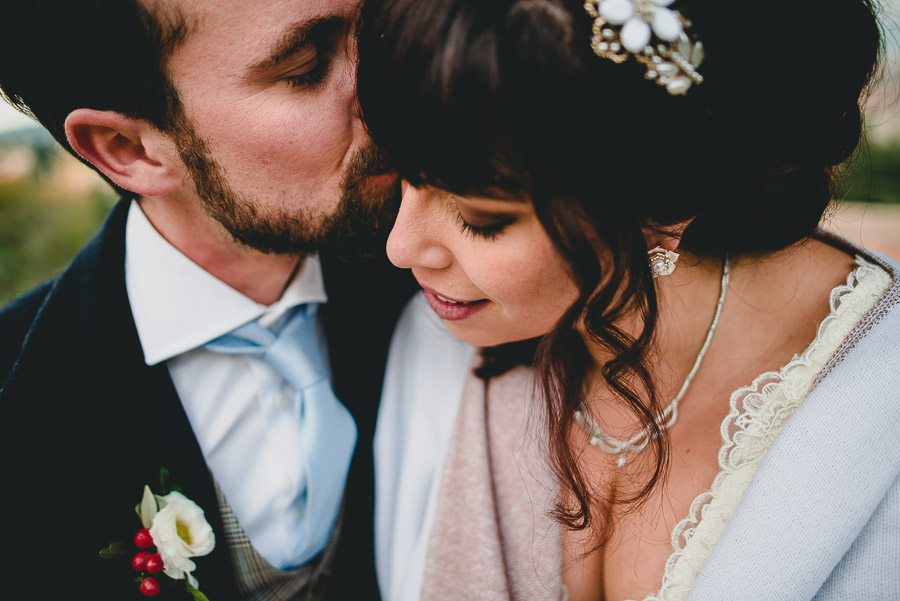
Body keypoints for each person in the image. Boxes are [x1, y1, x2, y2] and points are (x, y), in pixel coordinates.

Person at [357, 0, 900, 599]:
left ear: (664, 199)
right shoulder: (432, 350)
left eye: (480, 218)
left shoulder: (878, 415)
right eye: (398, 169)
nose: (401, 247)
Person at [0, 1, 412, 600]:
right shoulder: (22, 421)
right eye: (304, 67)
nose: (392, 83)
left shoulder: (464, 275)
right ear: (127, 148)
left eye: (375, 27)